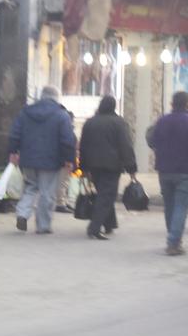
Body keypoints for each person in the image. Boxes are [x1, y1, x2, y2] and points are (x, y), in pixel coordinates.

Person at [8, 86, 77, 234]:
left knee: (30, 187)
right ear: (56, 97)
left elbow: (15, 133)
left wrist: (13, 151)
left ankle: (22, 214)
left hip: (28, 158)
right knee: (47, 192)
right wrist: (69, 159)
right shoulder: (61, 115)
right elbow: (67, 140)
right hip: (51, 161)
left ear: (42, 96)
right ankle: (43, 225)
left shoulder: (25, 112)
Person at [79, 96, 137, 240]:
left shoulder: (90, 122)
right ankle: (94, 228)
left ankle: (110, 224)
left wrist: (83, 167)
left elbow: (83, 146)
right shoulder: (119, 123)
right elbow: (125, 146)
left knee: (103, 194)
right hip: (112, 166)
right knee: (107, 195)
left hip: (93, 165)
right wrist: (131, 168)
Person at [147, 91, 188, 256]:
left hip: (164, 170)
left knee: (169, 205)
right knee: (180, 206)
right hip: (184, 170)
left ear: (172, 104)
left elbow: (151, 140)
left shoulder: (162, 121)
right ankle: (173, 242)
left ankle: (173, 238)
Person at [55, 108, 77, 213]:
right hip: (65, 161)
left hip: (64, 160)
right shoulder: (66, 131)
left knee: (64, 182)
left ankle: (62, 201)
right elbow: (68, 146)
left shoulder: (62, 129)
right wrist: (68, 160)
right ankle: (60, 203)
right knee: (62, 182)